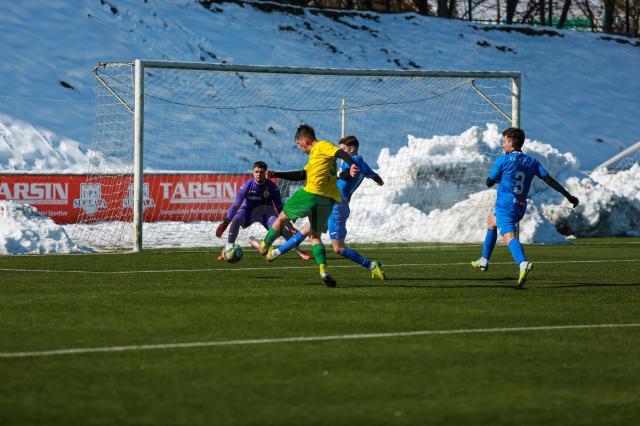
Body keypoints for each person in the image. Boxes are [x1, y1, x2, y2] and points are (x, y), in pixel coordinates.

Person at [248, 124, 360, 287]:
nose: (300, 149)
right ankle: (323, 271)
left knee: (280, 219)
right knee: (314, 237)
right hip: (327, 200)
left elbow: (339, 151)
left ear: (306, 140)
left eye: (299, 145)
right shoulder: (316, 156)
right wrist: (277, 174)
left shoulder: (322, 146)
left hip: (310, 194)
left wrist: (351, 164)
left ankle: (264, 247)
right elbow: (302, 174)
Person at [471, 127, 579, 288]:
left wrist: (501, 176)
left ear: (510, 142)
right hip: (520, 206)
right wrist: (569, 196)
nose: (502, 145)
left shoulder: (503, 160)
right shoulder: (532, 162)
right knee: (491, 222)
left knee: (508, 237)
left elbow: (489, 183)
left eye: (504, 142)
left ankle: (523, 263)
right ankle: (484, 259)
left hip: (505, 206)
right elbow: (549, 180)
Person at [267, 135, 386, 281]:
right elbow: (375, 177)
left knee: (338, 248)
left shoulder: (353, 162)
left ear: (352, 149)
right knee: (308, 230)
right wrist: (377, 180)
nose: (339, 152)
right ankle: (275, 253)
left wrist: (341, 175)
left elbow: (346, 174)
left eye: (343, 149)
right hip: (335, 205)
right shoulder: (364, 164)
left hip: (336, 206)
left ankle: (371, 265)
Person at [215, 161, 311, 261]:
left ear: (265, 172)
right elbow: (235, 206)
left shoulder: (272, 187)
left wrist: (290, 227)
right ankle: (228, 250)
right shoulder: (246, 186)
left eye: (261, 172)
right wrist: (225, 223)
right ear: (253, 172)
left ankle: (300, 251)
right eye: (256, 172)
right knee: (236, 219)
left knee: (282, 229)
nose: (258, 174)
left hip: (267, 213)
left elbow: (280, 209)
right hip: (249, 212)